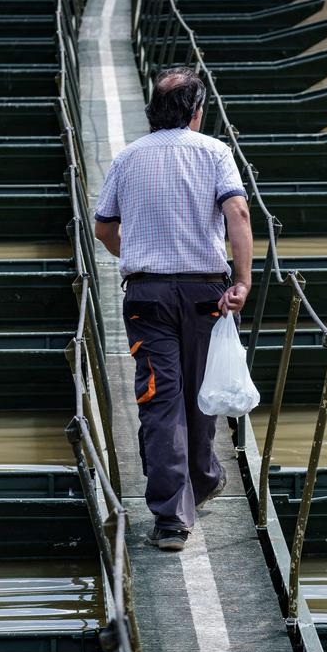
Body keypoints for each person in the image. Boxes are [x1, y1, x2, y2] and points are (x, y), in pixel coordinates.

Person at [93, 67, 253, 552]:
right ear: (197, 112)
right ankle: (201, 482)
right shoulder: (215, 153)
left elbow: (104, 229)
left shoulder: (127, 158)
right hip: (208, 294)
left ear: (153, 112)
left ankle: (170, 520)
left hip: (148, 297)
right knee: (201, 392)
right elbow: (239, 214)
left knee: (160, 399)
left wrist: (140, 254)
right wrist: (243, 281)